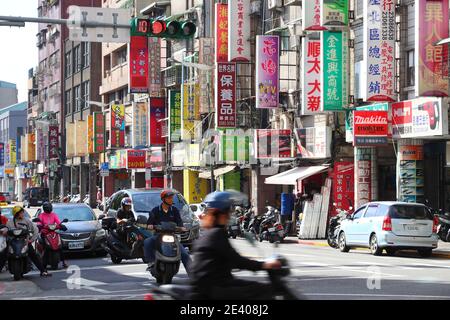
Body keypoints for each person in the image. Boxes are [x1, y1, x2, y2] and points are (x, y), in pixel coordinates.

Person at [189, 191, 282, 300]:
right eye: (227, 212)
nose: (229, 216)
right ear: (219, 213)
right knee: (262, 290)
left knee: (254, 287)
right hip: (212, 289)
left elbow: (227, 258)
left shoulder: (210, 233)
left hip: (215, 285)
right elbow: (236, 260)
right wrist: (264, 265)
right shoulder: (216, 234)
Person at [143, 190, 191, 273]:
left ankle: (193, 274)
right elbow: (149, 223)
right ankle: (151, 262)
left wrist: (182, 227)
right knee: (147, 242)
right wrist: (150, 225)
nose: (171, 200)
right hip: (158, 235)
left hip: (172, 236)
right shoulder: (155, 210)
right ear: (163, 199)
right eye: (169, 198)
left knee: (185, 254)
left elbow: (179, 222)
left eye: (171, 198)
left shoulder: (174, 210)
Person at [6, 206, 51, 277]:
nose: (22, 214)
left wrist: (32, 239)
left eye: (22, 212)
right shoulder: (9, 223)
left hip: (24, 242)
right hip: (13, 243)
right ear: (16, 214)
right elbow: (6, 231)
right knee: (5, 254)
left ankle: (43, 271)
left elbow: (35, 229)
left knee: (33, 255)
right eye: (20, 213)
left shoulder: (27, 221)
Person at [37, 202, 68, 269]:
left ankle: (63, 261)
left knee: (60, 246)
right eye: (47, 207)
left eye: (49, 207)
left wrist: (61, 225)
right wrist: (39, 226)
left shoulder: (54, 215)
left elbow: (58, 222)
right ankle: (43, 261)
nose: (48, 209)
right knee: (45, 246)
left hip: (53, 233)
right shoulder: (41, 215)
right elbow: (39, 222)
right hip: (44, 233)